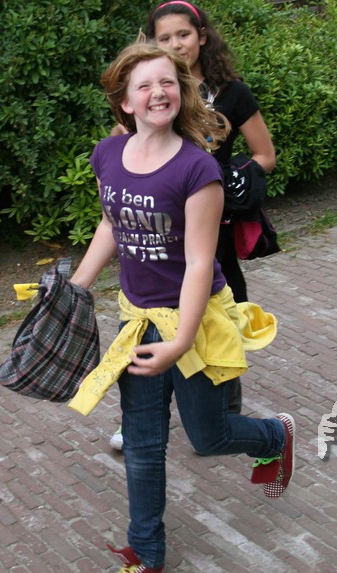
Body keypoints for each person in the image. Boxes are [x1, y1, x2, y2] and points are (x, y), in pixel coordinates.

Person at [67, 42, 294, 573]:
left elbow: (198, 264)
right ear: (125, 101)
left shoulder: (198, 170)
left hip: (195, 322)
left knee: (209, 437)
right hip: (138, 320)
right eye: (143, 85)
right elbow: (110, 225)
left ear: (182, 91)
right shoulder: (107, 155)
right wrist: (75, 287)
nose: (157, 92)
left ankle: (276, 435)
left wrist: (181, 341)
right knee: (143, 444)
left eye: (167, 81)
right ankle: (146, 552)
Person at [109, 0, 276, 450]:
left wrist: (237, 179)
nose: (175, 44)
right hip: (162, 226)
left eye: (183, 34)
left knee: (220, 309)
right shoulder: (150, 91)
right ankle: (142, 418)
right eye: (164, 38)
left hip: (210, 222)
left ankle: (222, 411)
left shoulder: (232, 94)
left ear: (202, 36)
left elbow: (265, 154)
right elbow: (126, 150)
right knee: (154, 312)